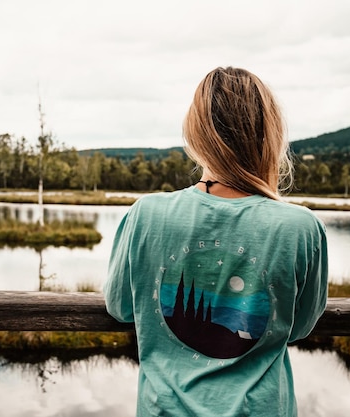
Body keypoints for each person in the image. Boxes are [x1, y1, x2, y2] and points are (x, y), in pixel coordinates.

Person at [104, 66, 328, 416]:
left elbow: (119, 306)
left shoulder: (145, 214)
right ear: (270, 133)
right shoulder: (301, 228)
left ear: (195, 135)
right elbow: (298, 327)